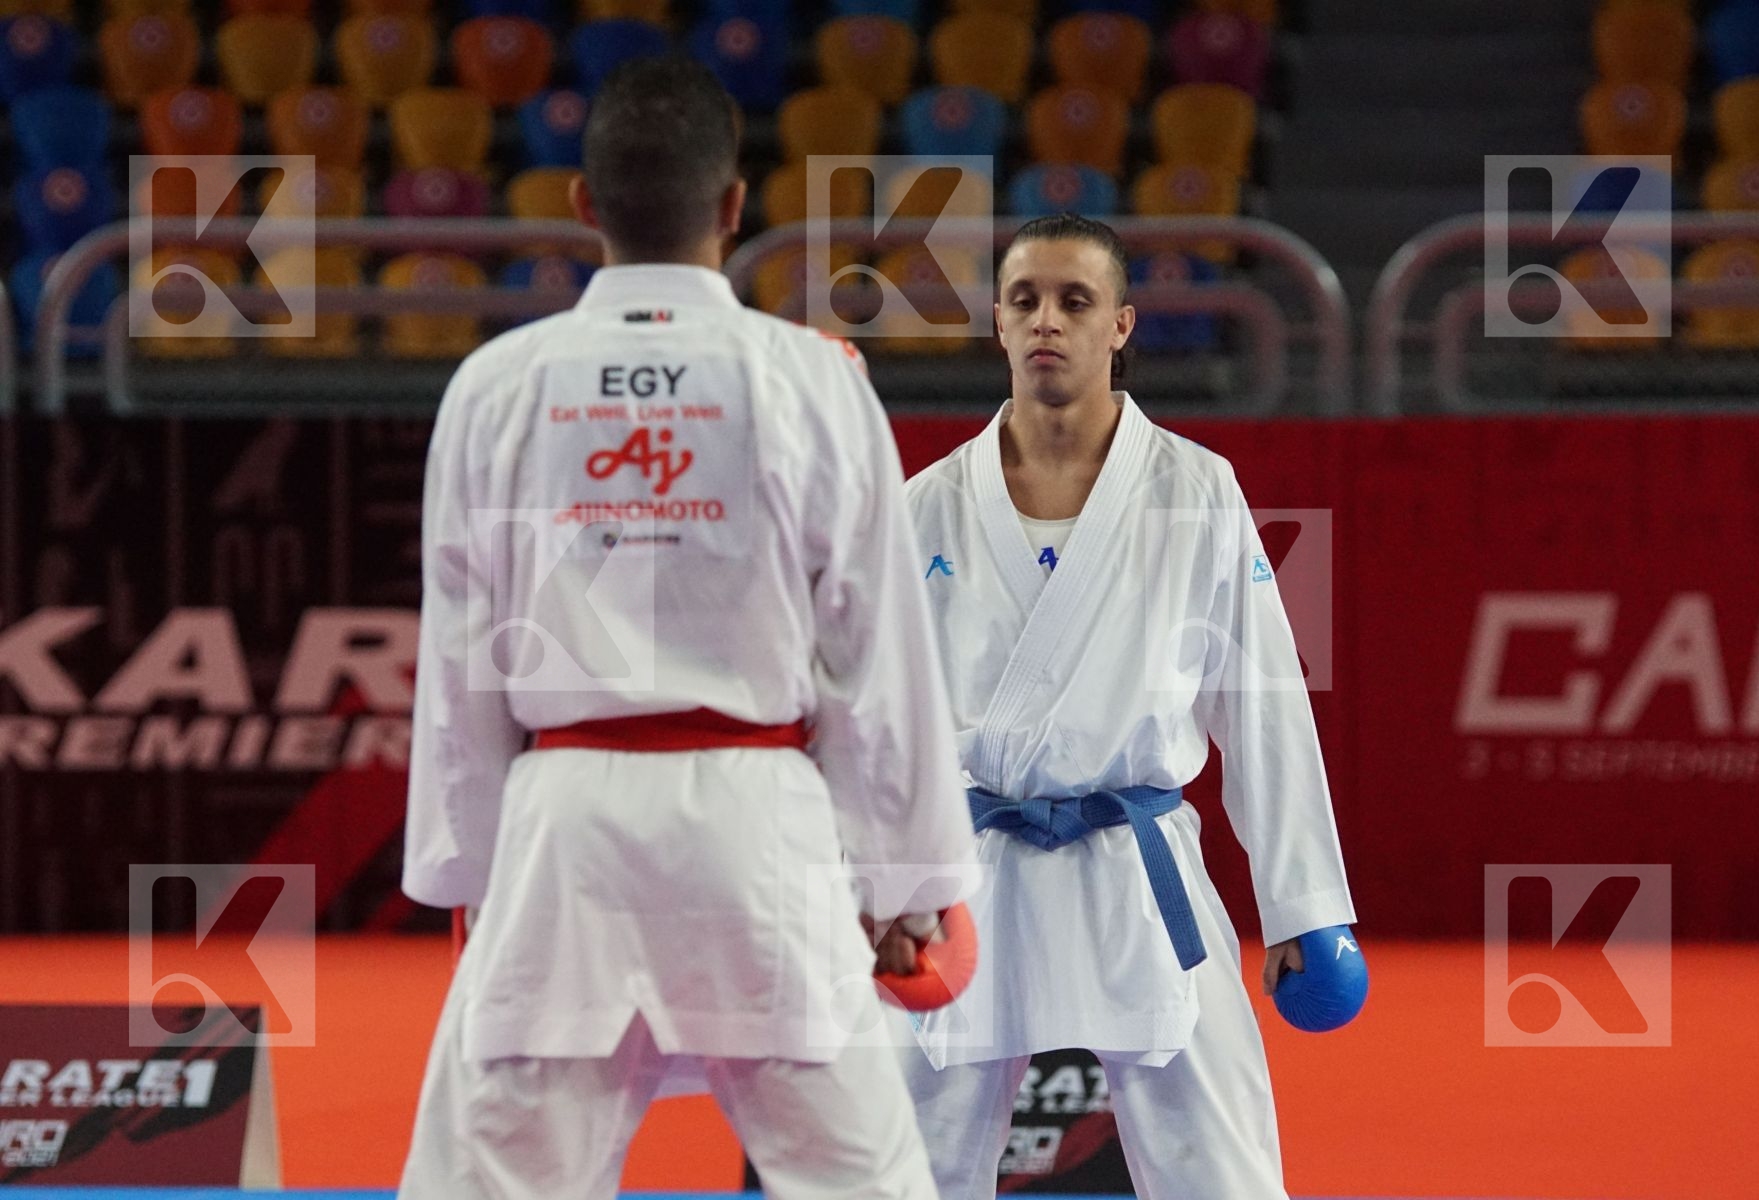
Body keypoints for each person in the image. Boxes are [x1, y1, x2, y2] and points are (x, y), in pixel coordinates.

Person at [398, 55, 975, 1200]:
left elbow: (462, 657)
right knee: (863, 1183)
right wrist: (905, 885)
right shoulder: (811, 378)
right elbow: (875, 656)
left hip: (564, 833)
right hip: (760, 832)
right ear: (734, 204)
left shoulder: (497, 384)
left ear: (581, 202)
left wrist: (475, 869)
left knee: (492, 1180)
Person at [888, 213, 1357, 1199]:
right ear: (997, 322)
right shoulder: (925, 503)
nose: (1047, 321)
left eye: (1075, 301)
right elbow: (882, 726)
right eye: (1025, 300)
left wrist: (1303, 904)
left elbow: (1262, 703)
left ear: (1121, 325)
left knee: (1221, 1164)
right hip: (968, 870)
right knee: (904, 1166)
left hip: (1138, 860)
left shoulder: (1196, 488)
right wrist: (877, 890)